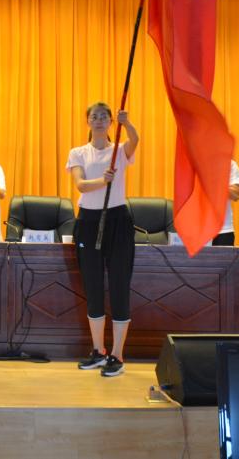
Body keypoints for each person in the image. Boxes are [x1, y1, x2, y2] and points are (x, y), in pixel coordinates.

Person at [66, 102, 139, 378]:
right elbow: (80, 185)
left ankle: (117, 355)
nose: (98, 120)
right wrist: (103, 181)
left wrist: (127, 123)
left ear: (111, 122)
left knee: (119, 285)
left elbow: (135, 140)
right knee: (93, 286)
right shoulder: (78, 152)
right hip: (88, 221)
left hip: (117, 220)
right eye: (94, 116)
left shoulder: (119, 150)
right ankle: (98, 351)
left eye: (104, 117)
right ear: (87, 121)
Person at [212, 159, 239, 245]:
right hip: (197, 229)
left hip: (223, 230)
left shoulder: (230, 164)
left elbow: (235, 195)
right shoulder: (196, 163)